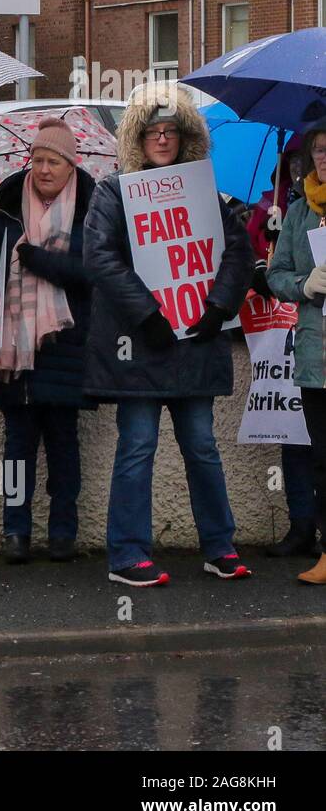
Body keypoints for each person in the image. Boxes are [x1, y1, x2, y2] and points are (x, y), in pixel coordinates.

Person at [83, 82, 254, 587]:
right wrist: (148, 315)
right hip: (141, 345)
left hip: (195, 343)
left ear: (184, 138)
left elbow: (238, 254)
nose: (162, 139)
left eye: (171, 131)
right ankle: (127, 555)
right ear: (138, 138)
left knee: (202, 446)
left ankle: (219, 547)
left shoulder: (206, 192)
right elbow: (99, 257)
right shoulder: (113, 191)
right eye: (153, 132)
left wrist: (218, 305)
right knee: (137, 446)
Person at [0, 117, 95, 564]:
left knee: (63, 443)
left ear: (70, 165)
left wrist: (43, 262)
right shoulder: (5, 206)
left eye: (53, 161)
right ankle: (14, 532)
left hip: (67, 342)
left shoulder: (90, 208)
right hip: (11, 347)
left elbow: (95, 273)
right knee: (18, 445)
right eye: (37, 159)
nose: (43, 169)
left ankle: (63, 533)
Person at [249, 147, 319, 558]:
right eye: (314, 153)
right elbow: (273, 269)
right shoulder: (280, 206)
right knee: (296, 435)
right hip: (292, 336)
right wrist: (273, 273)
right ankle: (302, 525)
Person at [268, 120, 326, 584]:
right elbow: (276, 274)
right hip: (315, 359)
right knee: (321, 456)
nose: (325, 158)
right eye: (320, 151)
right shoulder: (297, 212)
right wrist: (303, 287)